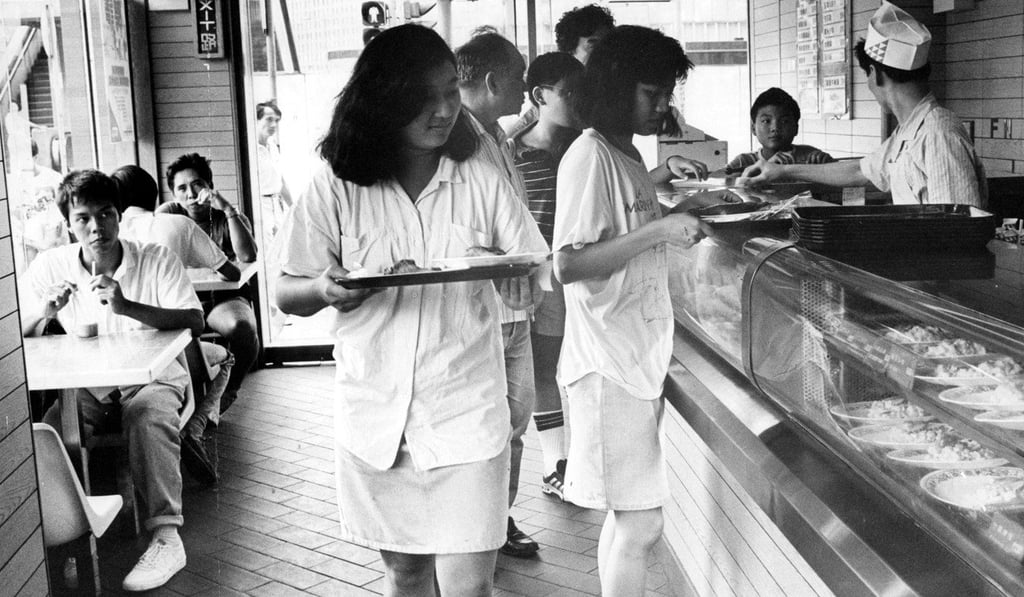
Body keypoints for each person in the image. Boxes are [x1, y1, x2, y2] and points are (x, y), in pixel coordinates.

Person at [275, 24, 547, 597]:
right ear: (384, 99)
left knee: (470, 584)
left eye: (452, 91)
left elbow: (529, 269)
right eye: (426, 96)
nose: (446, 109)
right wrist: (326, 288)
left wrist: (510, 277)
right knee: (405, 573)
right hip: (378, 416)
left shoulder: (479, 175)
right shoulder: (336, 184)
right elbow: (286, 290)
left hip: (466, 408)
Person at [552, 26, 711, 597]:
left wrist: (684, 209)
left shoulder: (627, 153)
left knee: (627, 519)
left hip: (630, 356)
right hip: (607, 364)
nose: (663, 105)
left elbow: (626, 232)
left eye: (667, 92)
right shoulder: (589, 155)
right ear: (618, 88)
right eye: (653, 93)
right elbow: (568, 265)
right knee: (642, 524)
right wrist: (662, 230)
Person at [19, 169, 204, 592]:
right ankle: (61, 535)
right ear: (69, 224)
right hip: (87, 387)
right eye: (82, 217)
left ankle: (165, 537)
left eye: (105, 214)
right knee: (49, 432)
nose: (95, 227)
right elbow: (16, 332)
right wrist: (44, 313)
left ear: (119, 216)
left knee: (146, 415)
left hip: (155, 379)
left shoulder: (156, 259)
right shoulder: (51, 265)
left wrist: (127, 306)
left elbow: (194, 320)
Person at [739, 1, 986, 207]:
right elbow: (860, 171)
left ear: (875, 74)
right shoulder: (908, 131)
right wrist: (780, 171)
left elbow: (962, 226)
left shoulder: (937, 134)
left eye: (867, 76)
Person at [455, 28, 540, 558]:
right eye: (519, 82)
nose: (525, 92)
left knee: (514, 421)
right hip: (478, 311)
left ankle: (497, 520)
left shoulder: (493, 135)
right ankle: (474, 529)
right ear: (492, 81)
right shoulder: (450, 140)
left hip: (514, 307)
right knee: (485, 430)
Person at [113, 164, 235, 485]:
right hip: (177, 354)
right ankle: (193, 427)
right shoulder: (176, 223)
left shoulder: (110, 238)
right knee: (225, 357)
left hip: (119, 358)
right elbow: (231, 272)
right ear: (156, 193)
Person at [508, 52, 584, 501]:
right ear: (540, 96)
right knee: (545, 367)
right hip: (544, 278)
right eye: (570, 92)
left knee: (578, 368)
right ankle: (556, 463)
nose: (581, 100)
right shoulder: (512, 153)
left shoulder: (587, 146)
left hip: (588, 273)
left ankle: (581, 458)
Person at [159, 153, 259, 413]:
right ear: (173, 194)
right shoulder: (169, 215)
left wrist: (228, 209)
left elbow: (247, 256)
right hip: (181, 300)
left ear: (209, 186)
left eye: (197, 185)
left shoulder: (229, 217)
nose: (191, 193)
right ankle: (188, 403)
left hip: (221, 299)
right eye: (181, 188)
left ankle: (229, 390)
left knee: (243, 329)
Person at [505, 4, 615, 137]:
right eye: (594, 45)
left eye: (608, 46)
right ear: (570, 50)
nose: (604, 55)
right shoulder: (531, 124)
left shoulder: (609, 101)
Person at [723, 87, 834, 174]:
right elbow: (724, 186)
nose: (775, 128)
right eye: (766, 121)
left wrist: (825, 168)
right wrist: (767, 166)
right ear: (753, 128)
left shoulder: (811, 158)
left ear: (796, 128)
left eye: (784, 121)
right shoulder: (743, 162)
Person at [255, 100, 293, 239]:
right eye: (269, 119)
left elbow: (280, 181)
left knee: (282, 246)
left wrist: (294, 208)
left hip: (277, 205)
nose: (273, 125)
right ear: (257, 120)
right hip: (260, 205)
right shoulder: (252, 149)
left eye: (276, 120)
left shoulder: (272, 146)